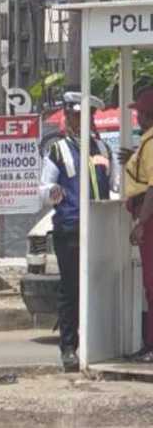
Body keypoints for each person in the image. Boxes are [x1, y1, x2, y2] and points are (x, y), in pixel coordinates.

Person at [39, 92, 114, 372]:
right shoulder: (57, 150)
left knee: (99, 288)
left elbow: (112, 185)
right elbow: (43, 189)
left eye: (86, 116)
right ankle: (68, 348)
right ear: (67, 118)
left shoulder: (102, 149)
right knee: (71, 290)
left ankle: (97, 344)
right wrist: (53, 193)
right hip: (70, 228)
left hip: (99, 228)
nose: (80, 121)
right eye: (74, 116)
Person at [122, 87, 153, 362]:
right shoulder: (146, 142)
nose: (137, 118)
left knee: (152, 284)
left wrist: (141, 222)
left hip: (151, 219)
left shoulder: (152, 142)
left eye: (139, 113)